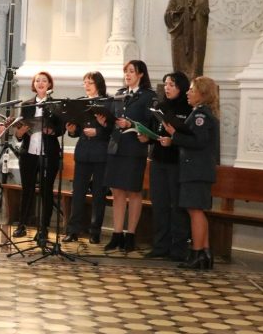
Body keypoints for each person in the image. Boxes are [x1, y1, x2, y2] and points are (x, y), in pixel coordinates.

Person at [159, 76, 220, 270]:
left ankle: (196, 253)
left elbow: (199, 142)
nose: (188, 92)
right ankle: (205, 253)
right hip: (196, 169)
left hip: (196, 170)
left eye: (192, 90)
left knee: (195, 212)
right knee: (197, 211)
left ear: (202, 94)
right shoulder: (200, 112)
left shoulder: (201, 115)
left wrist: (175, 136)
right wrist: (174, 137)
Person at [104, 60, 157, 253]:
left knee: (134, 192)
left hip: (134, 148)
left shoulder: (148, 96)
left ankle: (130, 235)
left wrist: (132, 125)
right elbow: (111, 120)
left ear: (141, 74)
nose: (128, 74)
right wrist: (105, 120)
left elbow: (152, 123)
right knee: (117, 191)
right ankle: (117, 233)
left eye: (132, 71)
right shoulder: (119, 95)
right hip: (117, 147)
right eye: (126, 71)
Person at [143, 71, 191, 260]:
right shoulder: (160, 107)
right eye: (166, 84)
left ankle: (178, 248)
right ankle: (160, 245)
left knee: (177, 206)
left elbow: (189, 136)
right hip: (158, 160)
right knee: (160, 204)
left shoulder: (187, 108)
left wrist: (173, 141)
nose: (167, 88)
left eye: (172, 84)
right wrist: (147, 136)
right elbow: (155, 131)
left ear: (181, 87)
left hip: (177, 162)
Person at [12, 71, 63, 244]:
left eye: (44, 81)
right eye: (37, 81)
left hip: (48, 153)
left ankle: (43, 227)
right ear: (34, 85)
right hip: (29, 153)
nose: (40, 83)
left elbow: (61, 129)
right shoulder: (27, 105)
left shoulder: (55, 105)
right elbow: (19, 134)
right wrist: (19, 133)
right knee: (27, 190)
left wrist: (52, 131)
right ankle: (22, 224)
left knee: (46, 191)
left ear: (49, 85)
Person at [64, 72, 110, 245]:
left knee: (99, 194)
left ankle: (95, 231)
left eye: (90, 82)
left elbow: (112, 128)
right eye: (85, 82)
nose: (87, 85)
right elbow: (76, 131)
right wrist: (71, 129)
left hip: (100, 153)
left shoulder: (107, 101)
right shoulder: (81, 102)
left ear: (98, 84)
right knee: (78, 193)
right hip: (83, 152)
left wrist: (98, 131)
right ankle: (73, 230)